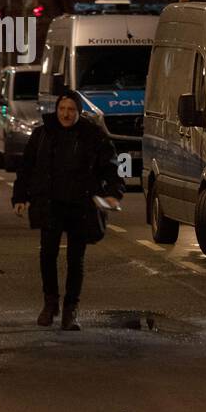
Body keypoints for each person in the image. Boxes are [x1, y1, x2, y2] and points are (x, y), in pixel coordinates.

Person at [12, 91, 123, 330]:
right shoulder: (43, 134)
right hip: (49, 204)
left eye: (71, 109)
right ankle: (49, 304)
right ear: (57, 109)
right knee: (47, 254)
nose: (65, 114)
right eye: (62, 108)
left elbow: (110, 167)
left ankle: (71, 310)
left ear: (79, 112)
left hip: (80, 206)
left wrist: (113, 193)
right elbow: (27, 168)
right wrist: (20, 197)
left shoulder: (93, 136)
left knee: (76, 259)